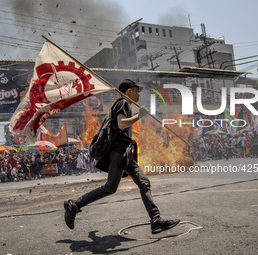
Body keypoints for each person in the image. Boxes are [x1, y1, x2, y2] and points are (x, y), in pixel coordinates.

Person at [63, 79, 180, 234]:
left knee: (144, 183)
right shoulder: (123, 102)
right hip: (119, 152)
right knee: (110, 187)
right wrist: (140, 115)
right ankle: (75, 205)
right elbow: (121, 124)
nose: (138, 94)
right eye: (137, 91)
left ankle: (155, 220)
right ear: (129, 91)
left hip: (125, 153)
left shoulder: (122, 104)